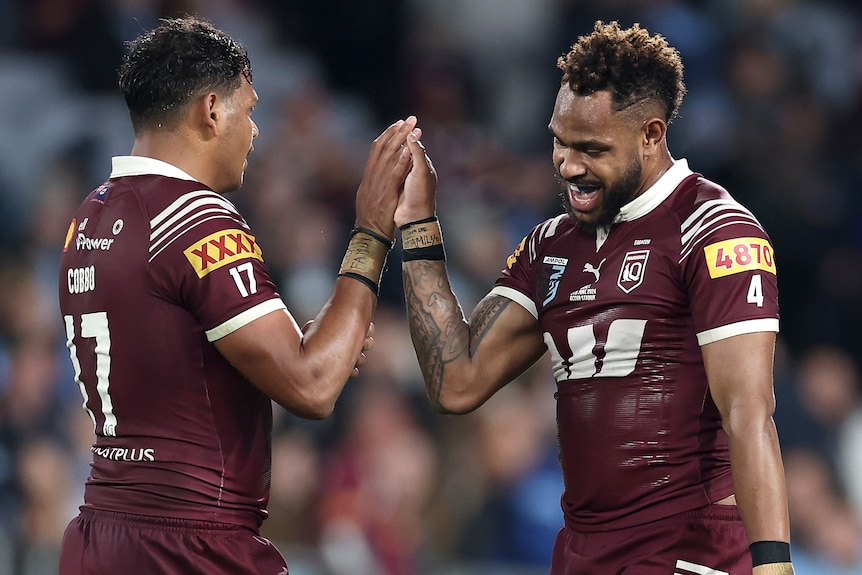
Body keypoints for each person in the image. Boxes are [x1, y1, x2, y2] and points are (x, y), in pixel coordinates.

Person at [396, 20, 795, 575]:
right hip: (584, 548)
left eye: (592, 149)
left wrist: (773, 563)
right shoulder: (550, 245)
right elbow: (456, 381)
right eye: (559, 141)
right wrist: (418, 226)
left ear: (652, 135)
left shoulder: (715, 231)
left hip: (687, 544)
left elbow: (750, 414)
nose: (568, 164)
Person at [57, 15, 418, 574]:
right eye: (249, 110)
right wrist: (371, 230)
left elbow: (181, 360)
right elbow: (314, 384)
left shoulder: (88, 219)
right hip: (190, 544)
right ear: (211, 110)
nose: (255, 131)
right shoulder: (197, 220)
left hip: (99, 537)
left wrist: (315, 343)